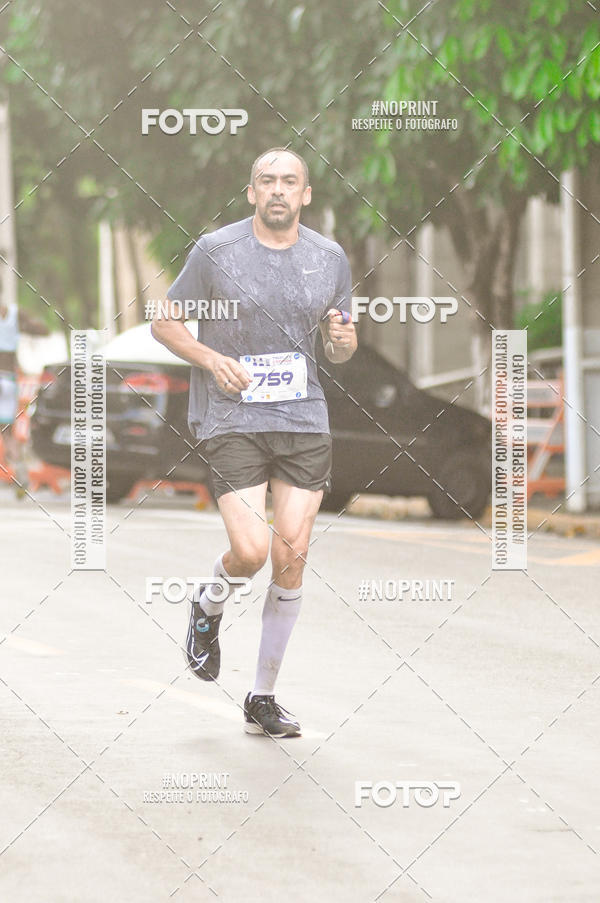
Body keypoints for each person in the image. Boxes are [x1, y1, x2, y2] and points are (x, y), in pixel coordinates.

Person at [151, 147, 357, 738]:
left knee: (291, 556)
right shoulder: (216, 251)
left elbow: (341, 347)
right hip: (232, 415)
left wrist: (342, 339)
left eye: (289, 182)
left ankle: (262, 698)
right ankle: (207, 605)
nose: (277, 191)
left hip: (302, 417)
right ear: (251, 192)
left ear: (306, 194)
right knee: (251, 551)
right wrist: (212, 358)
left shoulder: (329, 258)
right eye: (266, 180)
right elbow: (164, 320)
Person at [0, 298, 48, 492]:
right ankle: (19, 469)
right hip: (9, 379)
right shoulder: (14, 314)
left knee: (7, 431)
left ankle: (17, 471)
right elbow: (42, 330)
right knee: (8, 431)